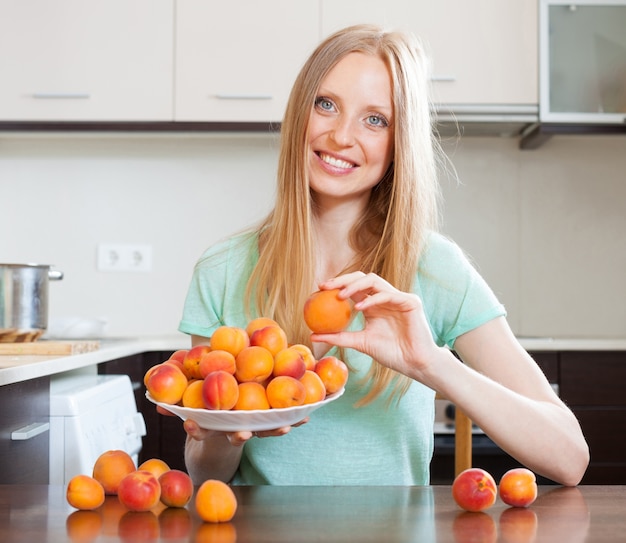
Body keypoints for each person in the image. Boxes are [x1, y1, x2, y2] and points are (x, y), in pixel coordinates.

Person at [176, 24, 589, 486]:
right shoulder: (222, 270)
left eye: (375, 120)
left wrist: (431, 363)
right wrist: (221, 429)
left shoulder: (435, 267)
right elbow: (205, 471)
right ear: (299, 115)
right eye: (326, 104)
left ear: (398, 145)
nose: (340, 135)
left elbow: (569, 457)